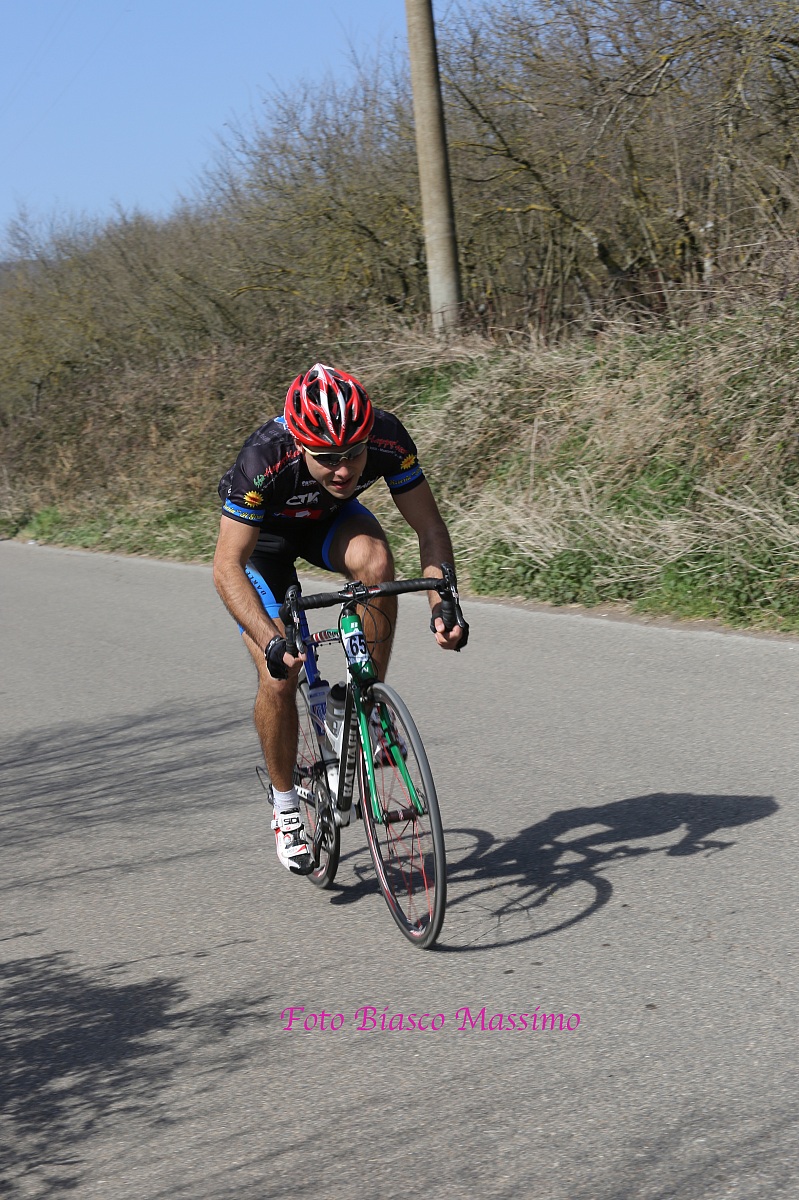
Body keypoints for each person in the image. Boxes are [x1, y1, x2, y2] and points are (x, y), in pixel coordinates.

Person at [213, 362, 465, 874]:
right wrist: (270, 641)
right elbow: (226, 567)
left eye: (353, 454)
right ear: (300, 446)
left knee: (376, 561)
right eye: (326, 459)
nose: (345, 470)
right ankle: (286, 810)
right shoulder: (263, 458)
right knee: (277, 677)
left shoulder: (389, 438)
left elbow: (430, 528)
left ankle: (360, 699)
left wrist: (444, 599)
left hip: (329, 525)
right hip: (265, 545)